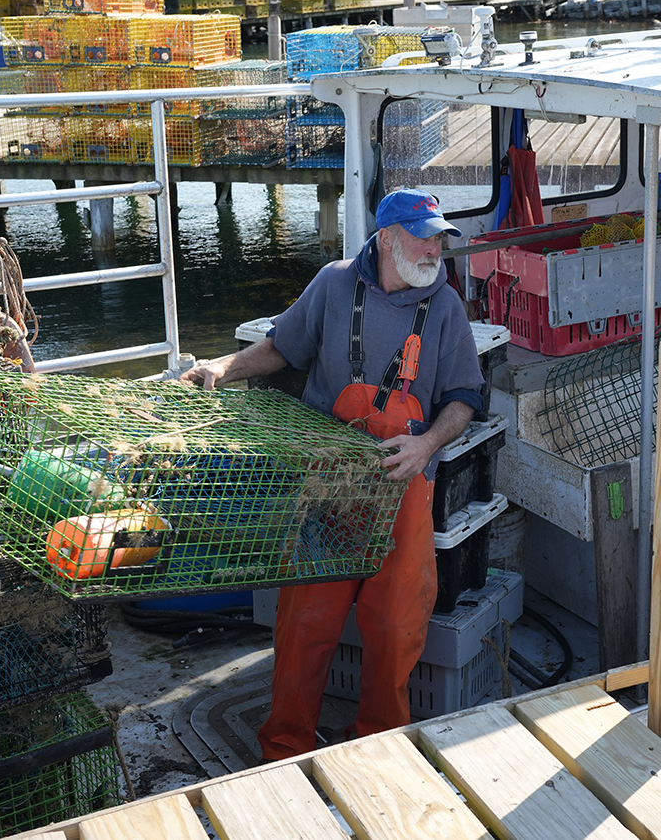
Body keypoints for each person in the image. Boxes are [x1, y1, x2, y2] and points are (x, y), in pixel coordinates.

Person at [183, 189, 485, 761]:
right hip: (325, 486)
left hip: (402, 487)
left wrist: (426, 445)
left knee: (397, 627)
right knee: (306, 623)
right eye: (424, 237)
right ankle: (283, 743)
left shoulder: (445, 306)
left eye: (441, 237)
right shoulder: (332, 282)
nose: (435, 249)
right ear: (387, 238)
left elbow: (464, 400)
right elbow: (281, 348)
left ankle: (378, 744)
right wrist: (223, 368)